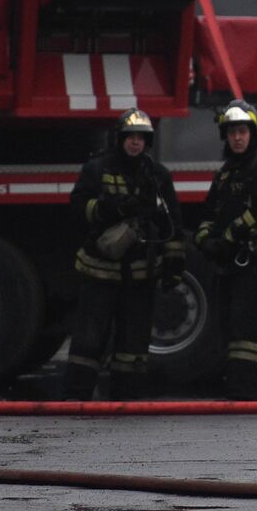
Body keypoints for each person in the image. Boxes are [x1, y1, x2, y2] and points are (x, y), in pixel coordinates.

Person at [65, 108, 183, 400]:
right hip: (99, 271)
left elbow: (173, 223)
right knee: (88, 341)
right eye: (130, 137)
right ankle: (76, 399)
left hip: (140, 274)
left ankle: (126, 401)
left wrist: (174, 262)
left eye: (140, 138)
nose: (135, 143)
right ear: (118, 139)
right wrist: (109, 209)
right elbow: (78, 207)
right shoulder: (97, 169)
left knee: (133, 344)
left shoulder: (157, 176)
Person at [194, 99, 257, 400]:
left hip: (255, 262)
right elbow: (210, 211)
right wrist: (206, 239)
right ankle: (240, 389)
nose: (237, 137)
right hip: (231, 263)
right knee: (231, 327)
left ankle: (248, 393)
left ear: (253, 134)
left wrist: (230, 235)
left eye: (242, 131)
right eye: (232, 132)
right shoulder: (226, 172)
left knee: (247, 329)